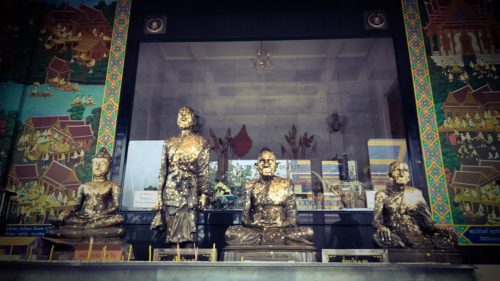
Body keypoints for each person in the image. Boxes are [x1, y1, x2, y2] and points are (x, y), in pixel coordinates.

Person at [225, 148, 314, 246]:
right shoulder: (249, 185)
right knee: (231, 233)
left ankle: (267, 239)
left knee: (308, 232)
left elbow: (293, 219)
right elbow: (245, 219)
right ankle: (272, 239)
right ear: (257, 166)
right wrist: (256, 225)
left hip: (281, 229)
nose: (266, 164)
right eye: (262, 161)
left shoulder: (286, 184)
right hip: (258, 230)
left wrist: (280, 225)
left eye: (270, 161)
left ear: (276, 166)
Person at [151, 107, 210, 245]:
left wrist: (204, 194)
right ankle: (171, 255)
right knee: (171, 226)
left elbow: (203, 170)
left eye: (187, 114)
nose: (183, 116)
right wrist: (159, 196)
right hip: (171, 188)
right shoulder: (169, 142)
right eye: (180, 114)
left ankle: (188, 255)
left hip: (190, 188)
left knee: (190, 227)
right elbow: (163, 171)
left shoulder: (201, 142)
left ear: (194, 120)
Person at [372, 161, 457, 249]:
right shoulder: (382, 194)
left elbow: (428, 222)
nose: (401, 174)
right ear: (389, 175)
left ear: (409, 176)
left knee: (449, 239)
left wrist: (442, 229)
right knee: (378, 238)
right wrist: (381, 227)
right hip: (395, 235)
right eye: (397, 170)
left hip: (416, 233)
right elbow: (375, 221)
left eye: (405, 170)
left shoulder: (415, 193)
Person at [46, 148, 125, 240]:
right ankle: (86, 227)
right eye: (95, 163)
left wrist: (98, 214)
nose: (98, 166)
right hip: (85, 217)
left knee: (119, 219)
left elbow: (116, 206)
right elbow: (78, 205)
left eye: (102, 164)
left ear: (109, 167)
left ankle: (81, 229)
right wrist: (67, 211)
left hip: (101, 217)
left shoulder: (113, 185)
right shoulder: (84, 186)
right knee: (55, 222)